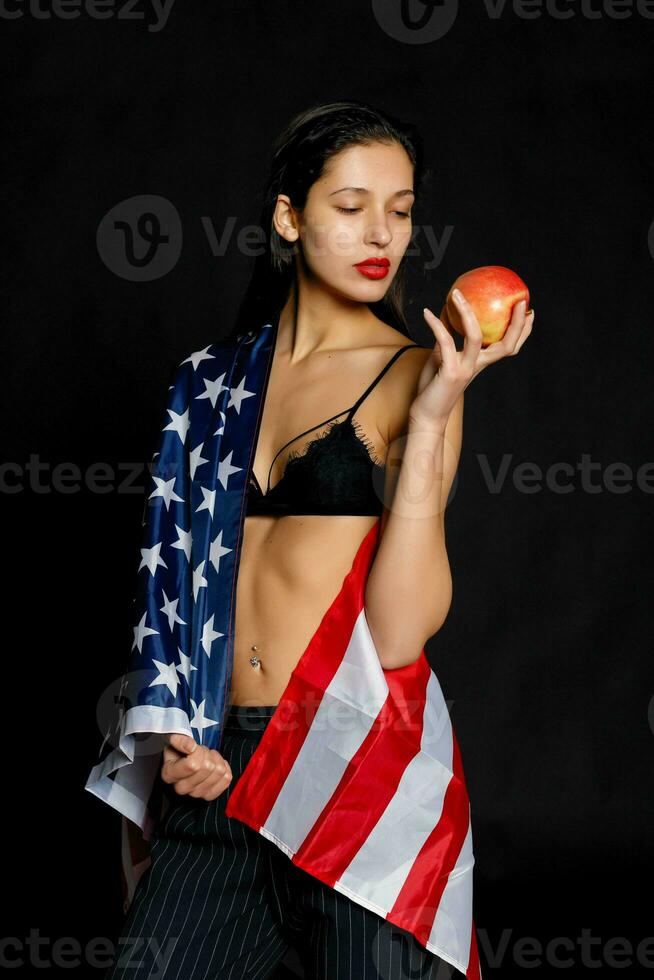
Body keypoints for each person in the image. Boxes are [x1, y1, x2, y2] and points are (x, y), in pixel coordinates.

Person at [101, 100, 533, 979]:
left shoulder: (416, 373)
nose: (383, 232)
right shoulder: (208, 384)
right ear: (290, 218)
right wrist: (177, 731)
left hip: (354, 759)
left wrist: (438, 412)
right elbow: (168, 587)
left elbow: (404, 631)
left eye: (402, 210)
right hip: (216, 762)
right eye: (352, 206)